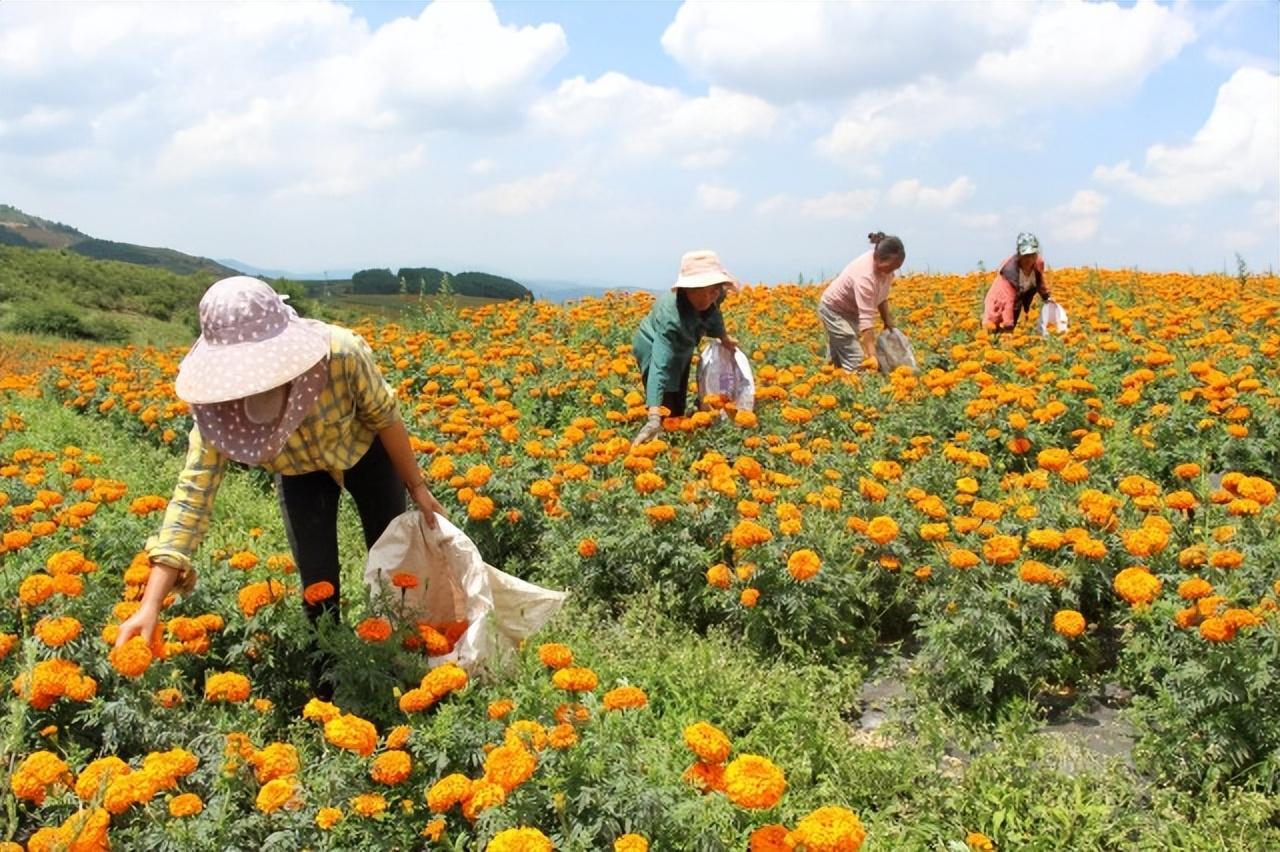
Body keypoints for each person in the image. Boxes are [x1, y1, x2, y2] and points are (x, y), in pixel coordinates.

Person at [113, 276, 445, 698]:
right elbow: (192, 494)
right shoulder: (217, 408)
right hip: (298, 473)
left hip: (365, 453)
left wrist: (417, 487)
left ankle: (406, 665)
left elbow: (385, 418)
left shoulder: (340, 353)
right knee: (317, 585)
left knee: (396, 566)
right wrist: (151, 604)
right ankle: (328, 691)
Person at [631, 250, 739, 445]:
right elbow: (659, 367)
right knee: (667, 395)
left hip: (685, 342)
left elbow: (713, 314)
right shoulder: (671, 318)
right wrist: (654, 416)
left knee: (679, 387)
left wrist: (724, 337)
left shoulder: (716, 294)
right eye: (704, 290)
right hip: (652, 343)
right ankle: (662, 436)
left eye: (715, 289)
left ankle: (677, 429)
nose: (711, 296)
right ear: (688, 290)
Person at [817, 231, 906, 372]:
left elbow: (882, 296)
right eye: (891, 267)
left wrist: (888, 322)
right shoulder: (865, 276)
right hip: (834, 310)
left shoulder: (886, 271)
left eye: (897, 267)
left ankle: (832, 385)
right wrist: (872, 357)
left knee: (838, 361)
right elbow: (866, 320)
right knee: (856, 359)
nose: (893, 271)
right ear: (878, 259)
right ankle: (855, 388)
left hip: (851, 311)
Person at [983, 232, 1054, 331]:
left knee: (1012, 324)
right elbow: (1008, 301)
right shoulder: (1010, 272)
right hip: (998, 303)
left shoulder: (1038, 263)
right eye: (1025, 255)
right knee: (995, 329)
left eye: (1032, 254)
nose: (1029, 259)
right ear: (1019, 255)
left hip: (1015, 303)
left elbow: (1039, 280)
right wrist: (1008, 325)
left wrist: (1046, 296)